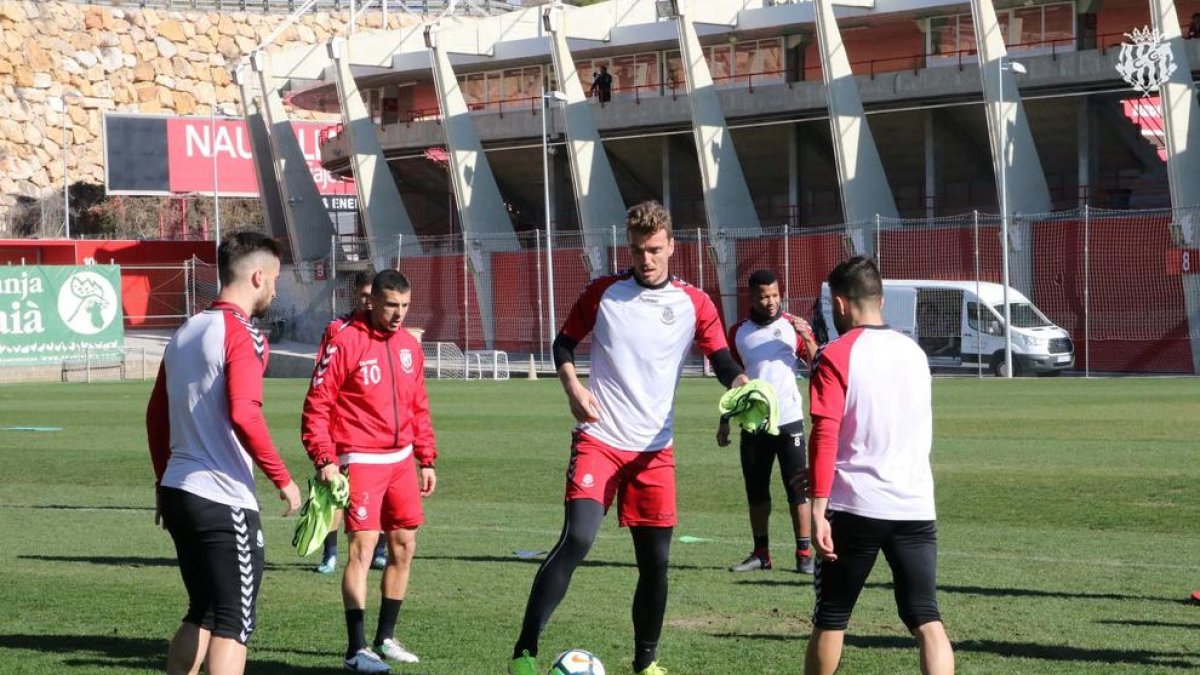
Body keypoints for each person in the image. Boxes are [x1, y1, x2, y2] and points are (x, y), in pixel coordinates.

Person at [509, 201, 749, 675]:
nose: (647, 259)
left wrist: (742, 387)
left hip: (654, 450)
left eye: (655, 250)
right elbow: (562, 343)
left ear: (672, 247)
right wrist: (573, 385)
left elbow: (722, 361)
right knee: (577, 539)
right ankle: (525, 652)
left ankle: (646, 663)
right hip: (600, 437)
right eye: (639, 250)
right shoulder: (604, 293)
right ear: (629, 247)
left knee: (655, 563)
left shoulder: (694, 303)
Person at [145, 231, 303, 675]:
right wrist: (284, 479)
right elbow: (244, 413)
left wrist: (162, 482)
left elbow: (156, 417)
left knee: (202, 612)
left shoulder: (186, 330)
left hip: (179, 490)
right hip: (222, 497)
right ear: (257, 276)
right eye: (274, 279)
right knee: (234, 624)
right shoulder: (244, 334)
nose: (275, 288)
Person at [804, 257, 954, 675]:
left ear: (838, 304)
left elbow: (826, 431)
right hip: (915, 504)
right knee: (926, 616)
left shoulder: (835, 353)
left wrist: (817, 507)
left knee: (832, 616)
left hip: (856, 505)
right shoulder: (914, 352)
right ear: (881, 299)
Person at [302, 270, 438, 673]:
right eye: (391, 306)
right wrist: (324, 457)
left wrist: (426, 458)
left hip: (402, 461)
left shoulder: (410, 347)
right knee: (362, 550)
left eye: (405, 306)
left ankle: (386, 637)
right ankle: (356, 648)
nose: (398, 314)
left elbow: (419, 405)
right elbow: (317, 404)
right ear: (373, 301)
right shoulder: (345, 340)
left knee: (404, 548)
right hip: (360, 458)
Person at [719, 269, 819, 574]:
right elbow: (733, 381)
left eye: (775, 295)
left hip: (789, 421)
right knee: (757, 490)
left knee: (797, 490)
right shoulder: (738, 332)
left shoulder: (792, 326)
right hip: (755, 424)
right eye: (764, 296)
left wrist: (807, 339)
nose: (771, 301)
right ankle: (761, 553)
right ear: (752, 296)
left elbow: (818, 366)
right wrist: (725, 419)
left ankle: (804, 554)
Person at [315, 270, 389, 575]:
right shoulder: (337, 330)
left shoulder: (391, 333)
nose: (368, 302)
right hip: (341, 430)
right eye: (364, 296)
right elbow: (322, 382)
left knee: (381, 494)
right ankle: (330, 553)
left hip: (378, 431)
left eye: (374, 296)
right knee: (335, 495)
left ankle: (380, 550)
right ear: (356, 295)